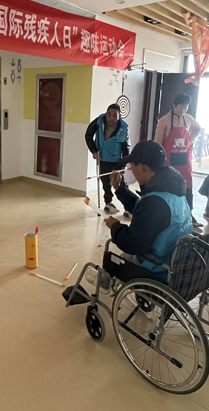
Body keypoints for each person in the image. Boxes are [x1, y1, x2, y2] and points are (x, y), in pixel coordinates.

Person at [85, 140, 192, 291]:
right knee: (124, 256)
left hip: (157, 269)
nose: (131, 170)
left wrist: (115, 226)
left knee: (118, 256)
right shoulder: (172, 190)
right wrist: (120, 189)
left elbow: (133, 244)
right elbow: (145, 212)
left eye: (132, 166)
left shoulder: (154, 203)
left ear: (142, 167)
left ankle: (105, 282)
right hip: (176, 261)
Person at [154, 93, 202, 229]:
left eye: (186, 108)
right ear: (174, 106)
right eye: (181, 107)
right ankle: (170, 215)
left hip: (185, 161)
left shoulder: (189, 119)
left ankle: (189, 215)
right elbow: (158, 142)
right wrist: (159, 160)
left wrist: (190, 141)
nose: (183, 110)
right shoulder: (164, 121)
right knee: (169, 187)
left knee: (187, 187)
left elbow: (197, 128)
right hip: (169, 161)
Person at [85, 103, 131, 215]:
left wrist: (124, 164)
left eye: (114, 115)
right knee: (105, 183)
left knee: (121, 185)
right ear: (106, 114)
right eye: (109, 114)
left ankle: (129, 207)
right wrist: (94, 151)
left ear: (119, 116)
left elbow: (126, 146)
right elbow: (88, 135)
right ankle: (108, 203)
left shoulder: (124, 128)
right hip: (102, 160)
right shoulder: (98, 122)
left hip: (116, 161)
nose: (111, 118)